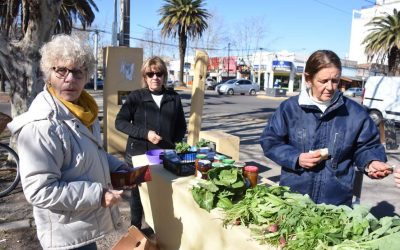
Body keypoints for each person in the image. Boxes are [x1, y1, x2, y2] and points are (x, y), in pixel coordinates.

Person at [7, 34, 130, 250]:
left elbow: (92, 153)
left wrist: (117, 168)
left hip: (83, 225)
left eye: (77, 72)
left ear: (86, 76)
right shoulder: (42, 126)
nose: (70, 79)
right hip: (65, 237)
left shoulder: (83, 111)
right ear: (48, 74)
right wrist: (98, 195)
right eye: (61, 70)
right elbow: (40, 190)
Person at [260, 50, 392, 206]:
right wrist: (296, 158)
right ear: (308, 79)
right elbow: (270, 141)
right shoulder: (289, 109)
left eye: (335, 81)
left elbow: (367, 147)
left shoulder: (356, 113)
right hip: (293, 199)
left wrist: (372, 162)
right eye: (323, 81)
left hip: (337, 203)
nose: (330, 87)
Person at [115, 56, 187, 230]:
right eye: (150, 73)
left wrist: (172, 144)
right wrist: (146, 134)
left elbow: (181, 126)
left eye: (159, 73)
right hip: (139, 154)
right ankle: (136, 229)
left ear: (164, 76)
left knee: (163, 192)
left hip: (163, 155)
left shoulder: (173, 98)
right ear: (145, 77)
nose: (155, 77)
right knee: (138, 194)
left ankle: (160, 229)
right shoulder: (136, 97)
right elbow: (120, 122)